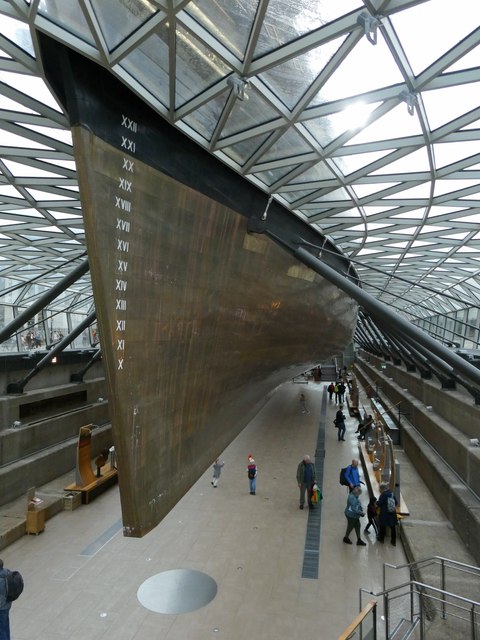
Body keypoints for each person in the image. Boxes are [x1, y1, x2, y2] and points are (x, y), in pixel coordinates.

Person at [0, 558, 12, 640]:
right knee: (5, 626)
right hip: (7, 605)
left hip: (1, 607)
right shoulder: (7, 572)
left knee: (2, 630)